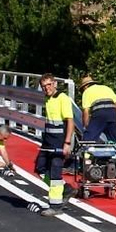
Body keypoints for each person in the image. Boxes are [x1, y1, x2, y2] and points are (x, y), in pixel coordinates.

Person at [35, 73, 74, 216]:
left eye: (49, 85)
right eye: (44, 86)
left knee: (55, 173)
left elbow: (70, 121)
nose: (47, 88)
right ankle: (66, 189)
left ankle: (55, 206)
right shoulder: (48, 99)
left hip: (59, 142)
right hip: (47, 142)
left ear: (55, 84)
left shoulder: (62, 99)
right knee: (40, 168)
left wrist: (67, 143)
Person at [78, 74, 116, 144]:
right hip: (112, 113)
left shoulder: (87, 92)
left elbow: (86, 111)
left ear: (85, 86)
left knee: (88, 139)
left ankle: (86, 153)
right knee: (114, 140)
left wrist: (86, 126)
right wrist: (113, 114)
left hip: (99, 113)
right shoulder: (106, 88)